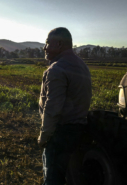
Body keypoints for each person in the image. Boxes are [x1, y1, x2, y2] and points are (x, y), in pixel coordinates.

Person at [38, 27, 92, 185]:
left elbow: (52, 110)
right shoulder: (81, 65)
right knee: (67, 173)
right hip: (78, 130)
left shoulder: (57, 70)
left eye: (48, 43)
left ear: (59, 44)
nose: (45, 47)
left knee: (53, 178)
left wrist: (44, 136)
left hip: (60, 133)